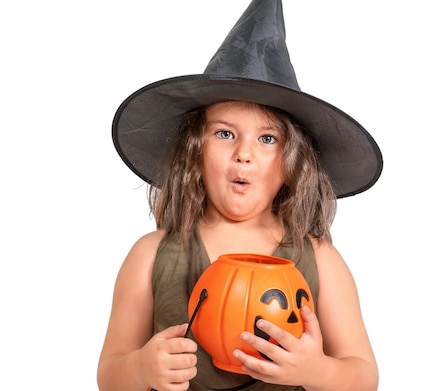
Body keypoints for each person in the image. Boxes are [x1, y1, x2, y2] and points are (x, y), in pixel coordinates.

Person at [97, 1, 383, 390]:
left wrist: (319, 372)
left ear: (291, 164)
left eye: (267, 138)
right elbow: (109, 373)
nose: (244, 153)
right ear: (196, 151)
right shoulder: (150, 255)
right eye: (225, 133)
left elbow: (363, 376)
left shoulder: (319, 259)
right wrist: (140, 368)